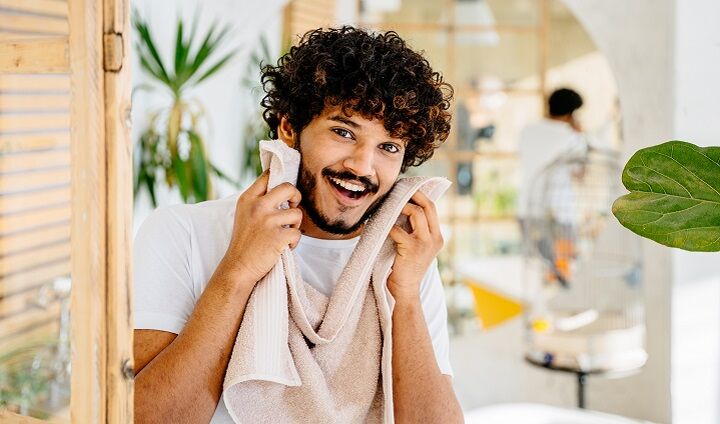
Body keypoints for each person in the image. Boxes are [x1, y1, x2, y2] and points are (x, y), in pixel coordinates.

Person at [132, 27, 463, 423]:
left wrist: (406, 295)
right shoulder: (181, 232)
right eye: (343, 132)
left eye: (388, 147)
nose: (362, 166)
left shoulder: (404, 260)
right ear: (289, 129)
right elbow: (142, 418)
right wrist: (238, 269)